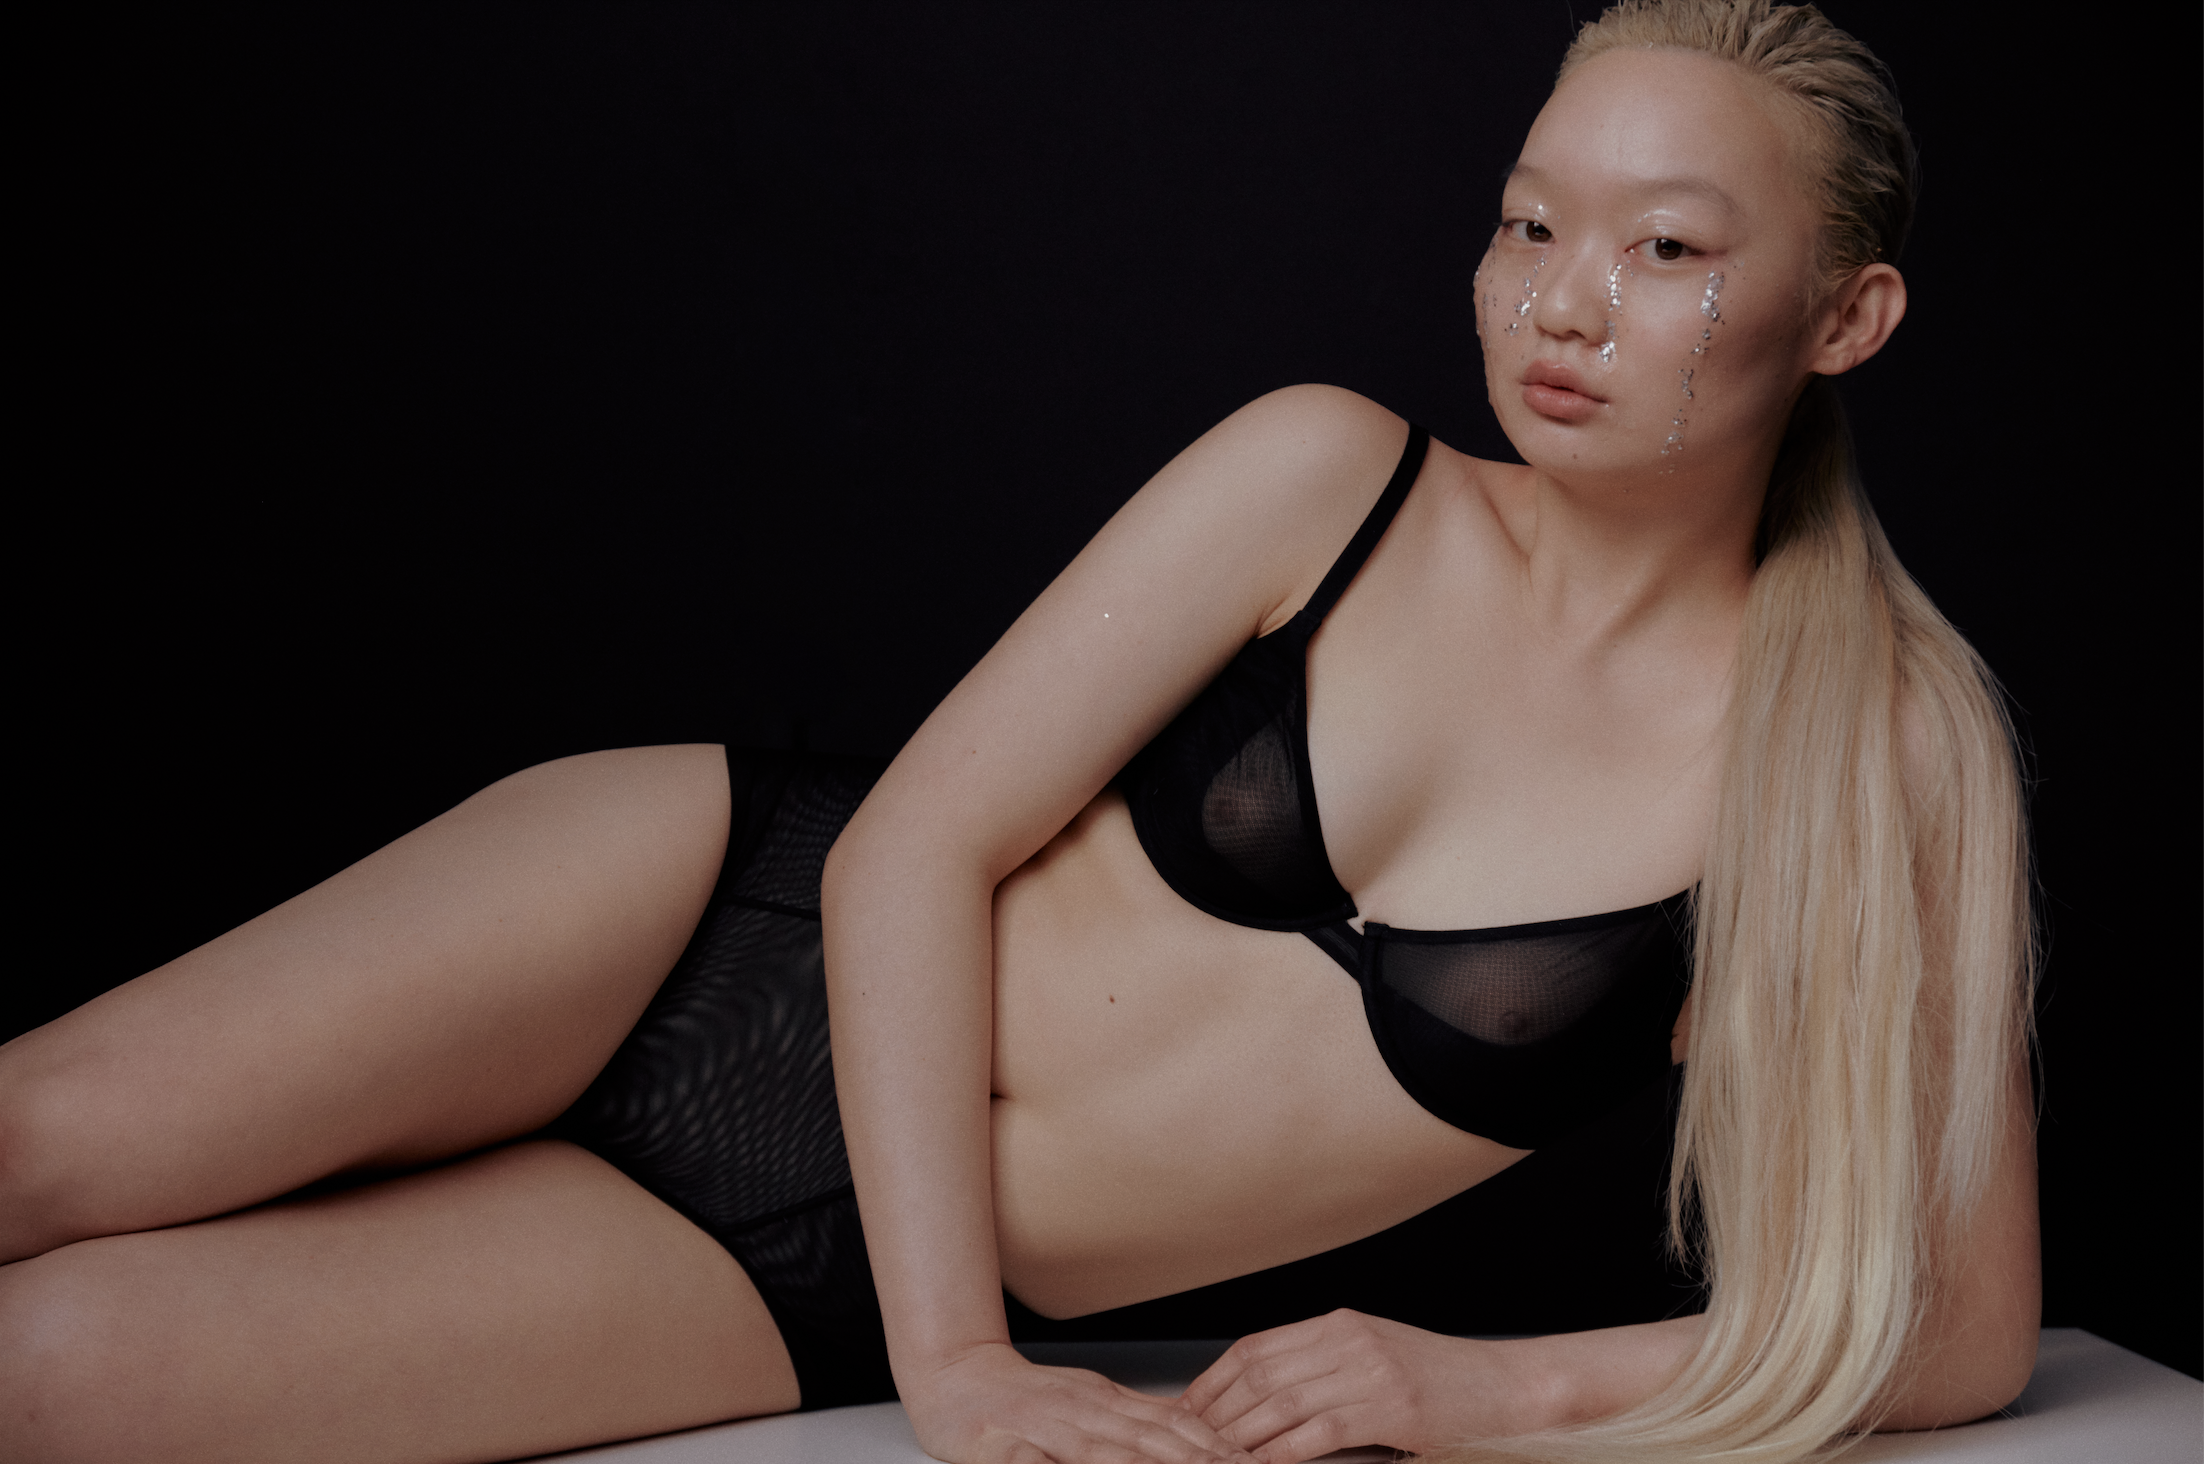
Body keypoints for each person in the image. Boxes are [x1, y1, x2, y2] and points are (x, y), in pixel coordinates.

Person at [0, 2, 2040, 1461]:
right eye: (1528, 223)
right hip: (706, 918)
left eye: (1666, 249)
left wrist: (1484, 1385)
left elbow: (1958, 1331)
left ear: (1845, 316)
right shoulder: (1327, 475)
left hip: (801, 1267)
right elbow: (916, 844)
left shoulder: (1878, 763)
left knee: (61, 1375)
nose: (1562, 304)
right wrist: (957, 1369)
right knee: (42, 1139)